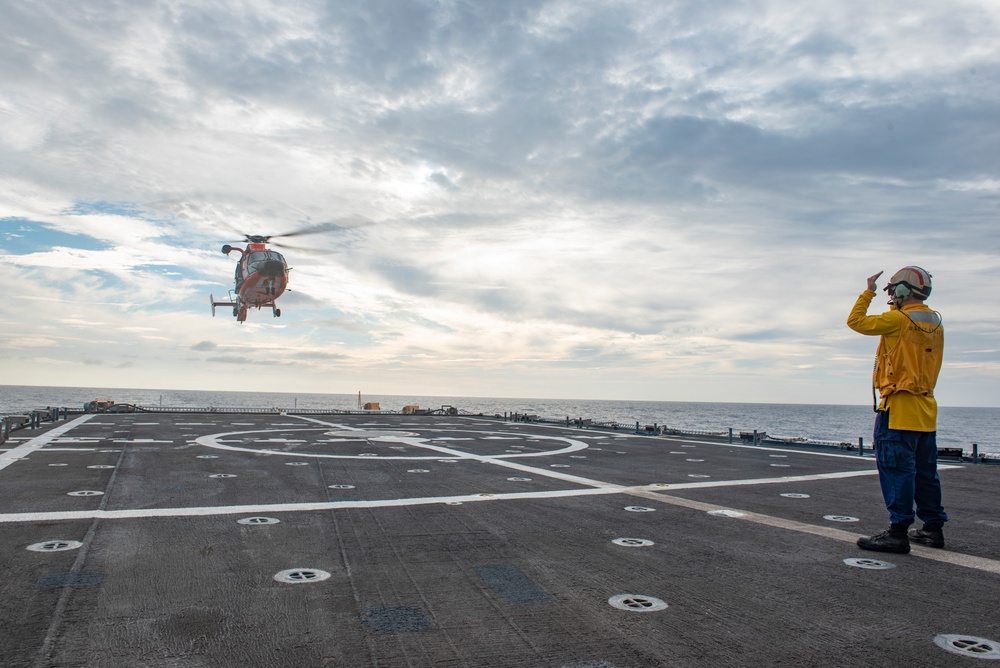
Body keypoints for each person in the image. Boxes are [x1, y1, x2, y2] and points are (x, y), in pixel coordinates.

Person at [846, 266, 947, 553]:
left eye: (893, 291)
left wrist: (869, 291)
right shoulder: (935, 323)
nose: (891, 296)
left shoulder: (897, 320)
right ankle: (932, 529)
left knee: (896, 470)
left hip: (899, 405)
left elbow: (856, 321)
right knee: (926, 472)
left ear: (902, 291)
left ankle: (898, 532)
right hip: (926, 410)